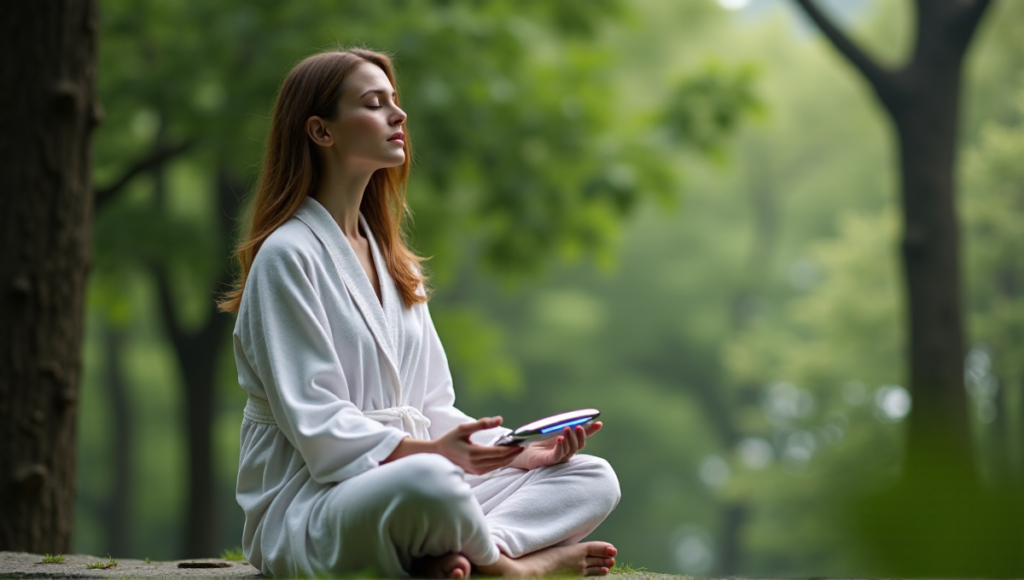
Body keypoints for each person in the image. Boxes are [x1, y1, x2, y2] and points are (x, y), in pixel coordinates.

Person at [218, 48, 621, 579]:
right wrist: (434, 453)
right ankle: (512, 569)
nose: (398, 114)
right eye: (373, 102)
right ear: (321, 131)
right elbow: (317, 429)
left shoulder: (392, 261)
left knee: (593, 476)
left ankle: (458, 554)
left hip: (412, 484)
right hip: (313, 506)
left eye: (395, 101)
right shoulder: (287, 256)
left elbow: (433, 406)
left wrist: (519, 453)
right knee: (432, 481)